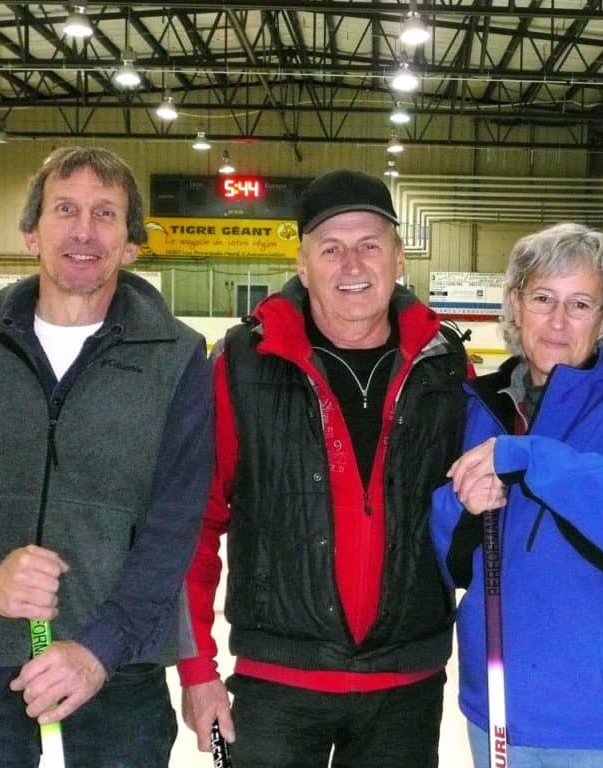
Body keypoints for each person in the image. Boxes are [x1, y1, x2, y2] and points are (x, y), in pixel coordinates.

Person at [0, 146, 213, 768]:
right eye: (64, 209)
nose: (83, 230)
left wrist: (99, 648)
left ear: (130, 244)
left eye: (106, 214)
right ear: (31, 232)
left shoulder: (177, 358)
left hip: (118, 672)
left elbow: (174, 525)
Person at [177, 169, 470, 767]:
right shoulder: (242, 364)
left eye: (369, 245)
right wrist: (197, 668)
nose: (352, 265)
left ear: (398, 258)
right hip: (275, 685)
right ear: (303, 265)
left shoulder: (444, 367)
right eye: (330, 249)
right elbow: (196, 522)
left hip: (405, 686)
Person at [430, 222, 603, 767]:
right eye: (542, 298)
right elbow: (447, 564)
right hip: (499, 712)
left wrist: (536, 458)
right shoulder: (477, 407)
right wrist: (460, 506)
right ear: (515, 304)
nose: (557, 322)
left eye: (580, 304)